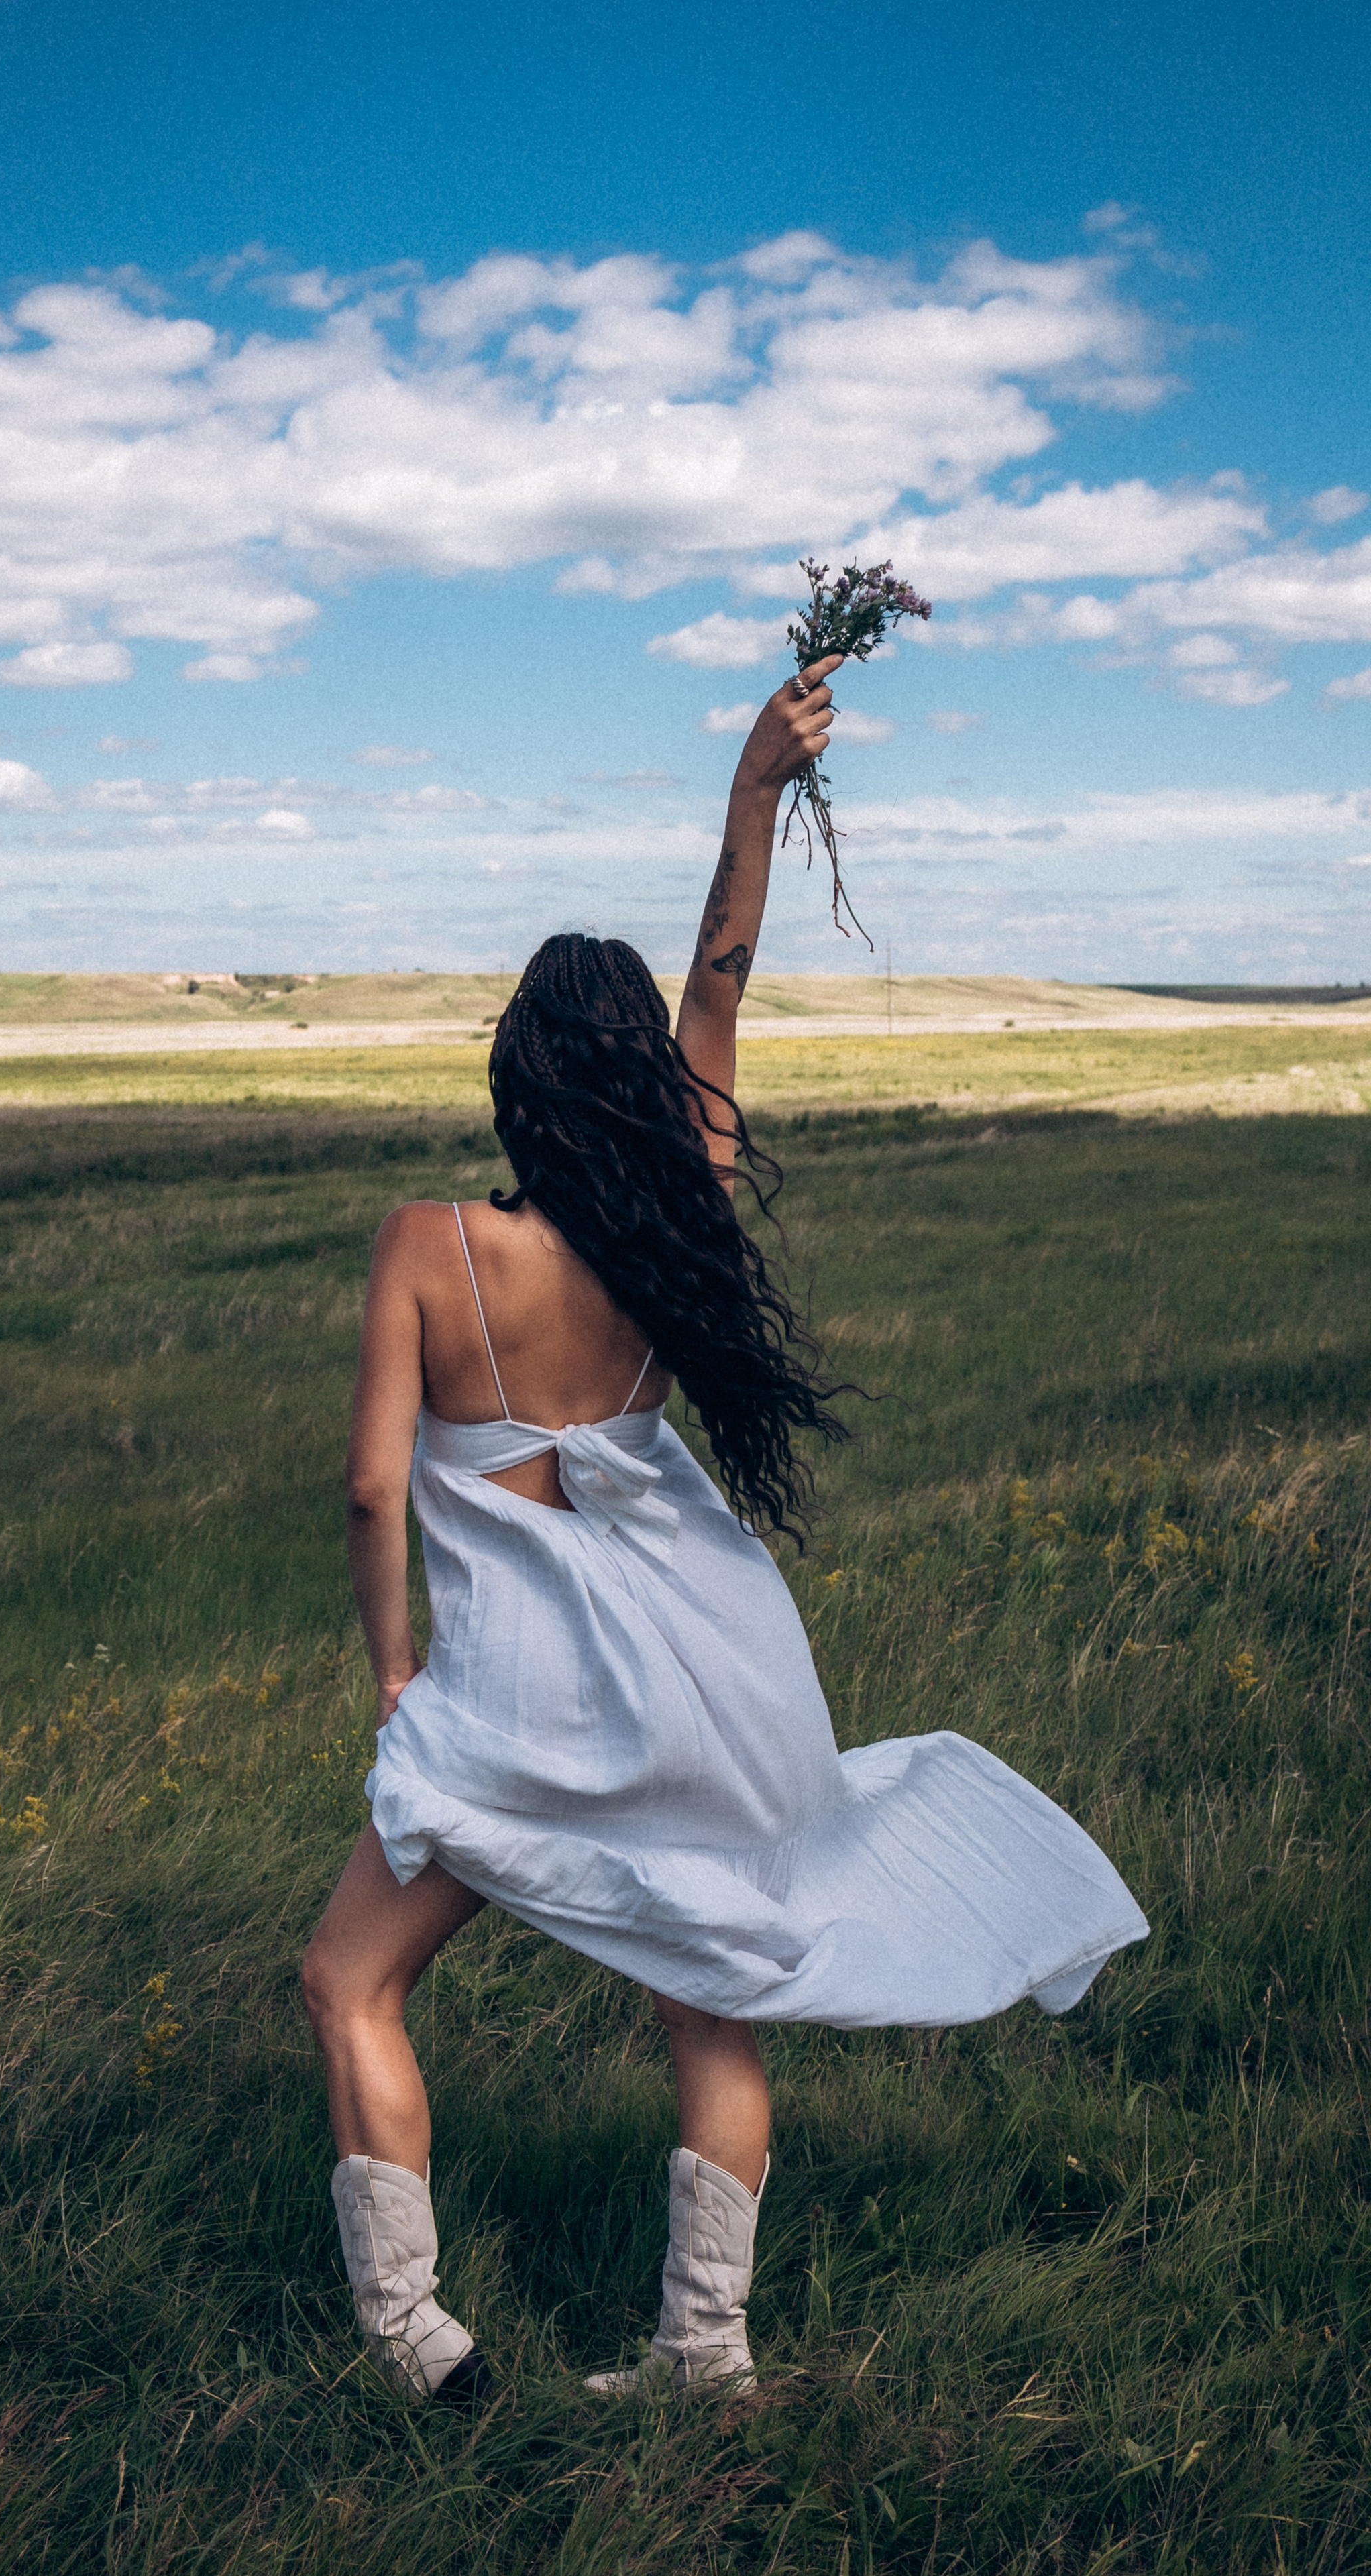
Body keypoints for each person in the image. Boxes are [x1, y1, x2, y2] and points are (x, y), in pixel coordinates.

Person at [301, 661, 1148, 2406]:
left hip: (511, 1713)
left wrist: (395, 1665)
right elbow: (721, 974)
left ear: (519, 1079)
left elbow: (377, 1487)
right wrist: (754, 790)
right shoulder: (678, 1201)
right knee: (712, 2007)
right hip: (686, 1688)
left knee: (348, 1979)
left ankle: (411, 2339)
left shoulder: (426, 1241)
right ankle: (704, 2350)